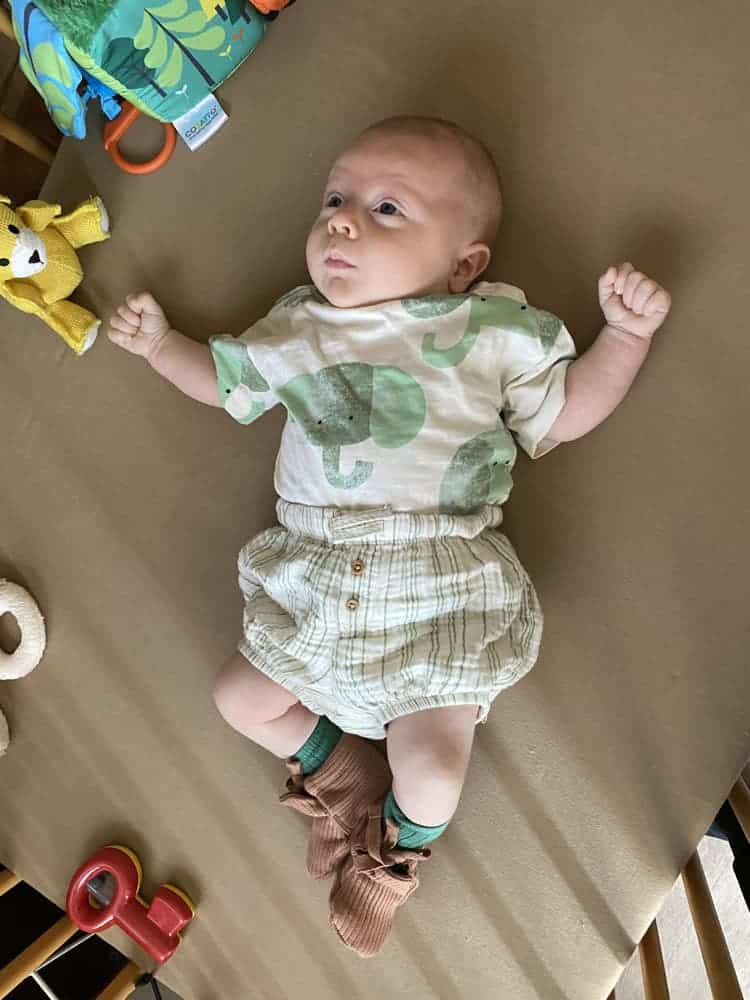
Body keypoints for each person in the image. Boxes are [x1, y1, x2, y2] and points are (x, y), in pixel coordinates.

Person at [108, 115, 671, 957]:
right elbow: (228, 385)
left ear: (464, 264)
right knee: (238, 697)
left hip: (437, 580)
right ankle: (346, 775)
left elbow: (566, 411)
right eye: (335, 199)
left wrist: (623, 339)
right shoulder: (299, 326)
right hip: (319, 572)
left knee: (437, 764)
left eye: (385, 209)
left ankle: (394, 852)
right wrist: (160, 347)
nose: (341, 220)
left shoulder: (490, 333)